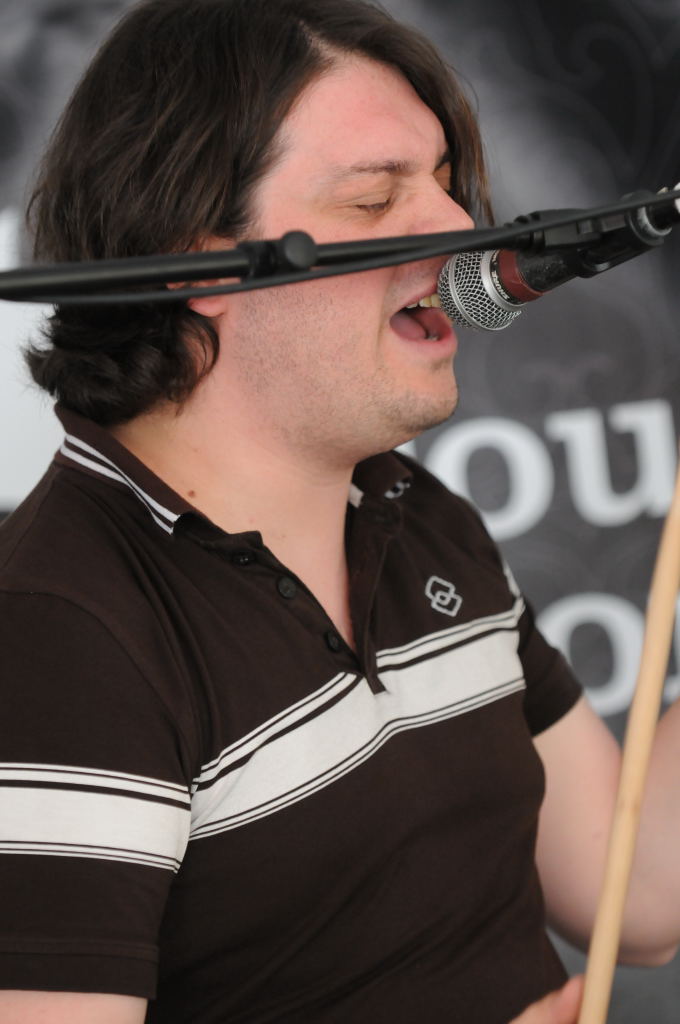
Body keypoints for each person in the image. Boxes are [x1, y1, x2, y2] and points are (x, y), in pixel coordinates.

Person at [0, 1, 679, 1022]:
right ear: (196, 263)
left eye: (444, 181)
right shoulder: (62, 635)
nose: (457, 226)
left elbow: (641, 896)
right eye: (373, 199)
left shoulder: (418, 515)